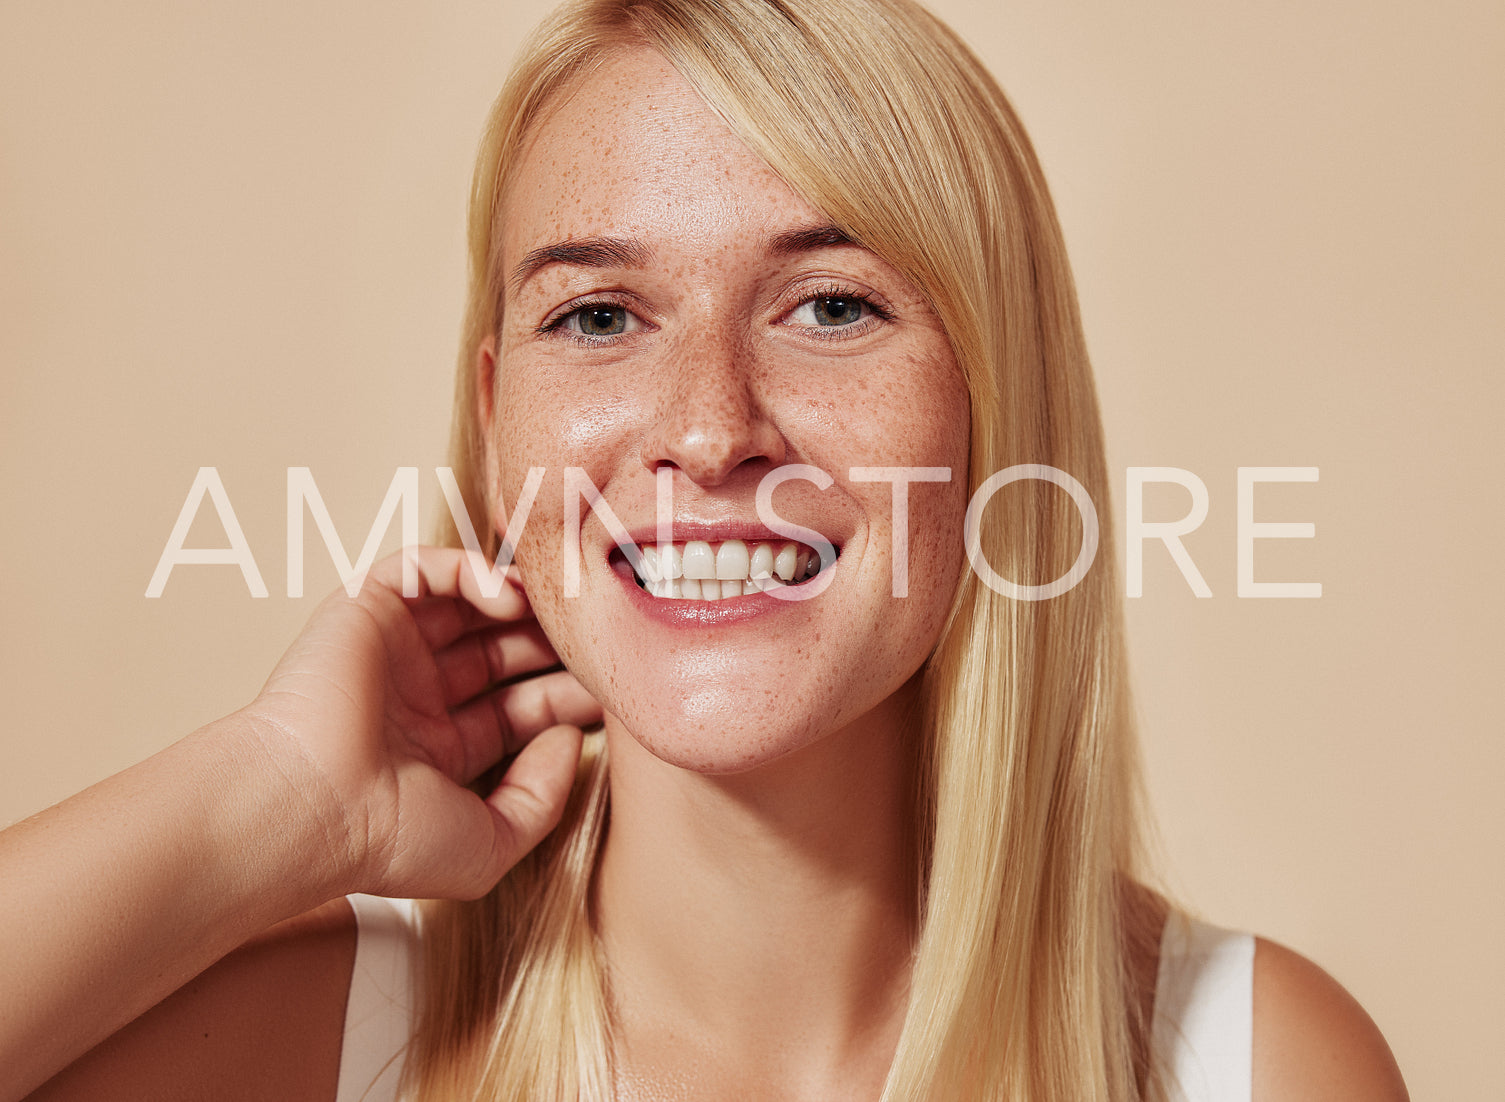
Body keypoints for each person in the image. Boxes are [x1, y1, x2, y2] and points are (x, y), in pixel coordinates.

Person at [0, 1, 1409, 1099]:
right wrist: (276, 794)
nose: (707, 429)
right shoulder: (312, 1046)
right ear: (498, 423)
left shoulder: (1244, 1061)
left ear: (998, 402)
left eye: (831, 305)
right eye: (600, 316)